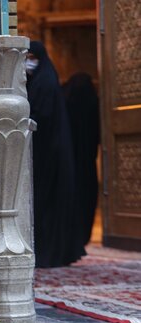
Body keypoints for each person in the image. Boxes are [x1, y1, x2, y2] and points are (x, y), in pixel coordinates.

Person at [26, 40, 85, 268]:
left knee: (46, 202)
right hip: (47, 152)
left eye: (30, 58)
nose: (27, 63)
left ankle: (50, 252)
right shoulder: (40, 79)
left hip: (49, 153)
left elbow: (41, 115)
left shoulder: (45, 82)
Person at [63, 72, 100, 247]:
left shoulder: (66, 101)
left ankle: (73, 237)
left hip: (68, 161)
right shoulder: (93, 102)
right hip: (87, 162)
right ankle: (84, 236)